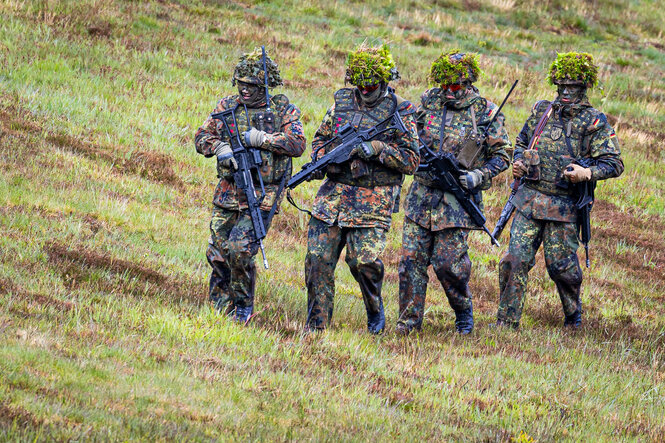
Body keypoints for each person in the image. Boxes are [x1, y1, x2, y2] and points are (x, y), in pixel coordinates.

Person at [495, 52, 623, 329]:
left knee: (562, 269)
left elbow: (614, 163)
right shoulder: (542, 111)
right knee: (513, 261)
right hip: (528, 201)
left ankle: (572, 316)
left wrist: (586, 173)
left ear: (583, 88)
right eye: (561, 87)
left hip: (564, 207)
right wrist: (518, 163)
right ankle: (506, 321)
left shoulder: (594, 121)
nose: (565, 92)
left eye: (572, 87)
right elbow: (522, 141)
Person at [305, 43, 420, 334]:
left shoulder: (401, 109)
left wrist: (378, 148)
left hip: (373, 201)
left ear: (383, 80)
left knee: (364, 263)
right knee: (317, 260)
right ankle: (316, 326)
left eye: (370, 84)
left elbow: (412, 160)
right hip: (332, 199)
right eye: (359, 84)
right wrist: (320, 158)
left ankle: (374, 310)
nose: (364, 89)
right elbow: (320, 139)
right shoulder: (341, 103)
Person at [396, 50, 510, 335]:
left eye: (455, 85)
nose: (449, 90)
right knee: (411, 262)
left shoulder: (485, 111)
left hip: (456, 202)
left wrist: (477, 176)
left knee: (449, 266)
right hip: (422, 198)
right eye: (444, 83)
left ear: (468, 82)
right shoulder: (428, 101)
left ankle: (462, 311)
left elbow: (504, 154)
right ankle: (408, 324)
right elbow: (407, 133)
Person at [194, 48, 306, 322]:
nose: (244, 91)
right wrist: (218, 146)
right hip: (228, 191)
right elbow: (201, 136)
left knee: (240, 250)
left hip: (262, 193)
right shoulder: (226, 107)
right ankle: (219, 309)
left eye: (251, 87)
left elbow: (297, 144)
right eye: (241, 85)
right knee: (218, 252)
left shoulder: (282, 109)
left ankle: (243, 306)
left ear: (264, 86)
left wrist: (263, 140)